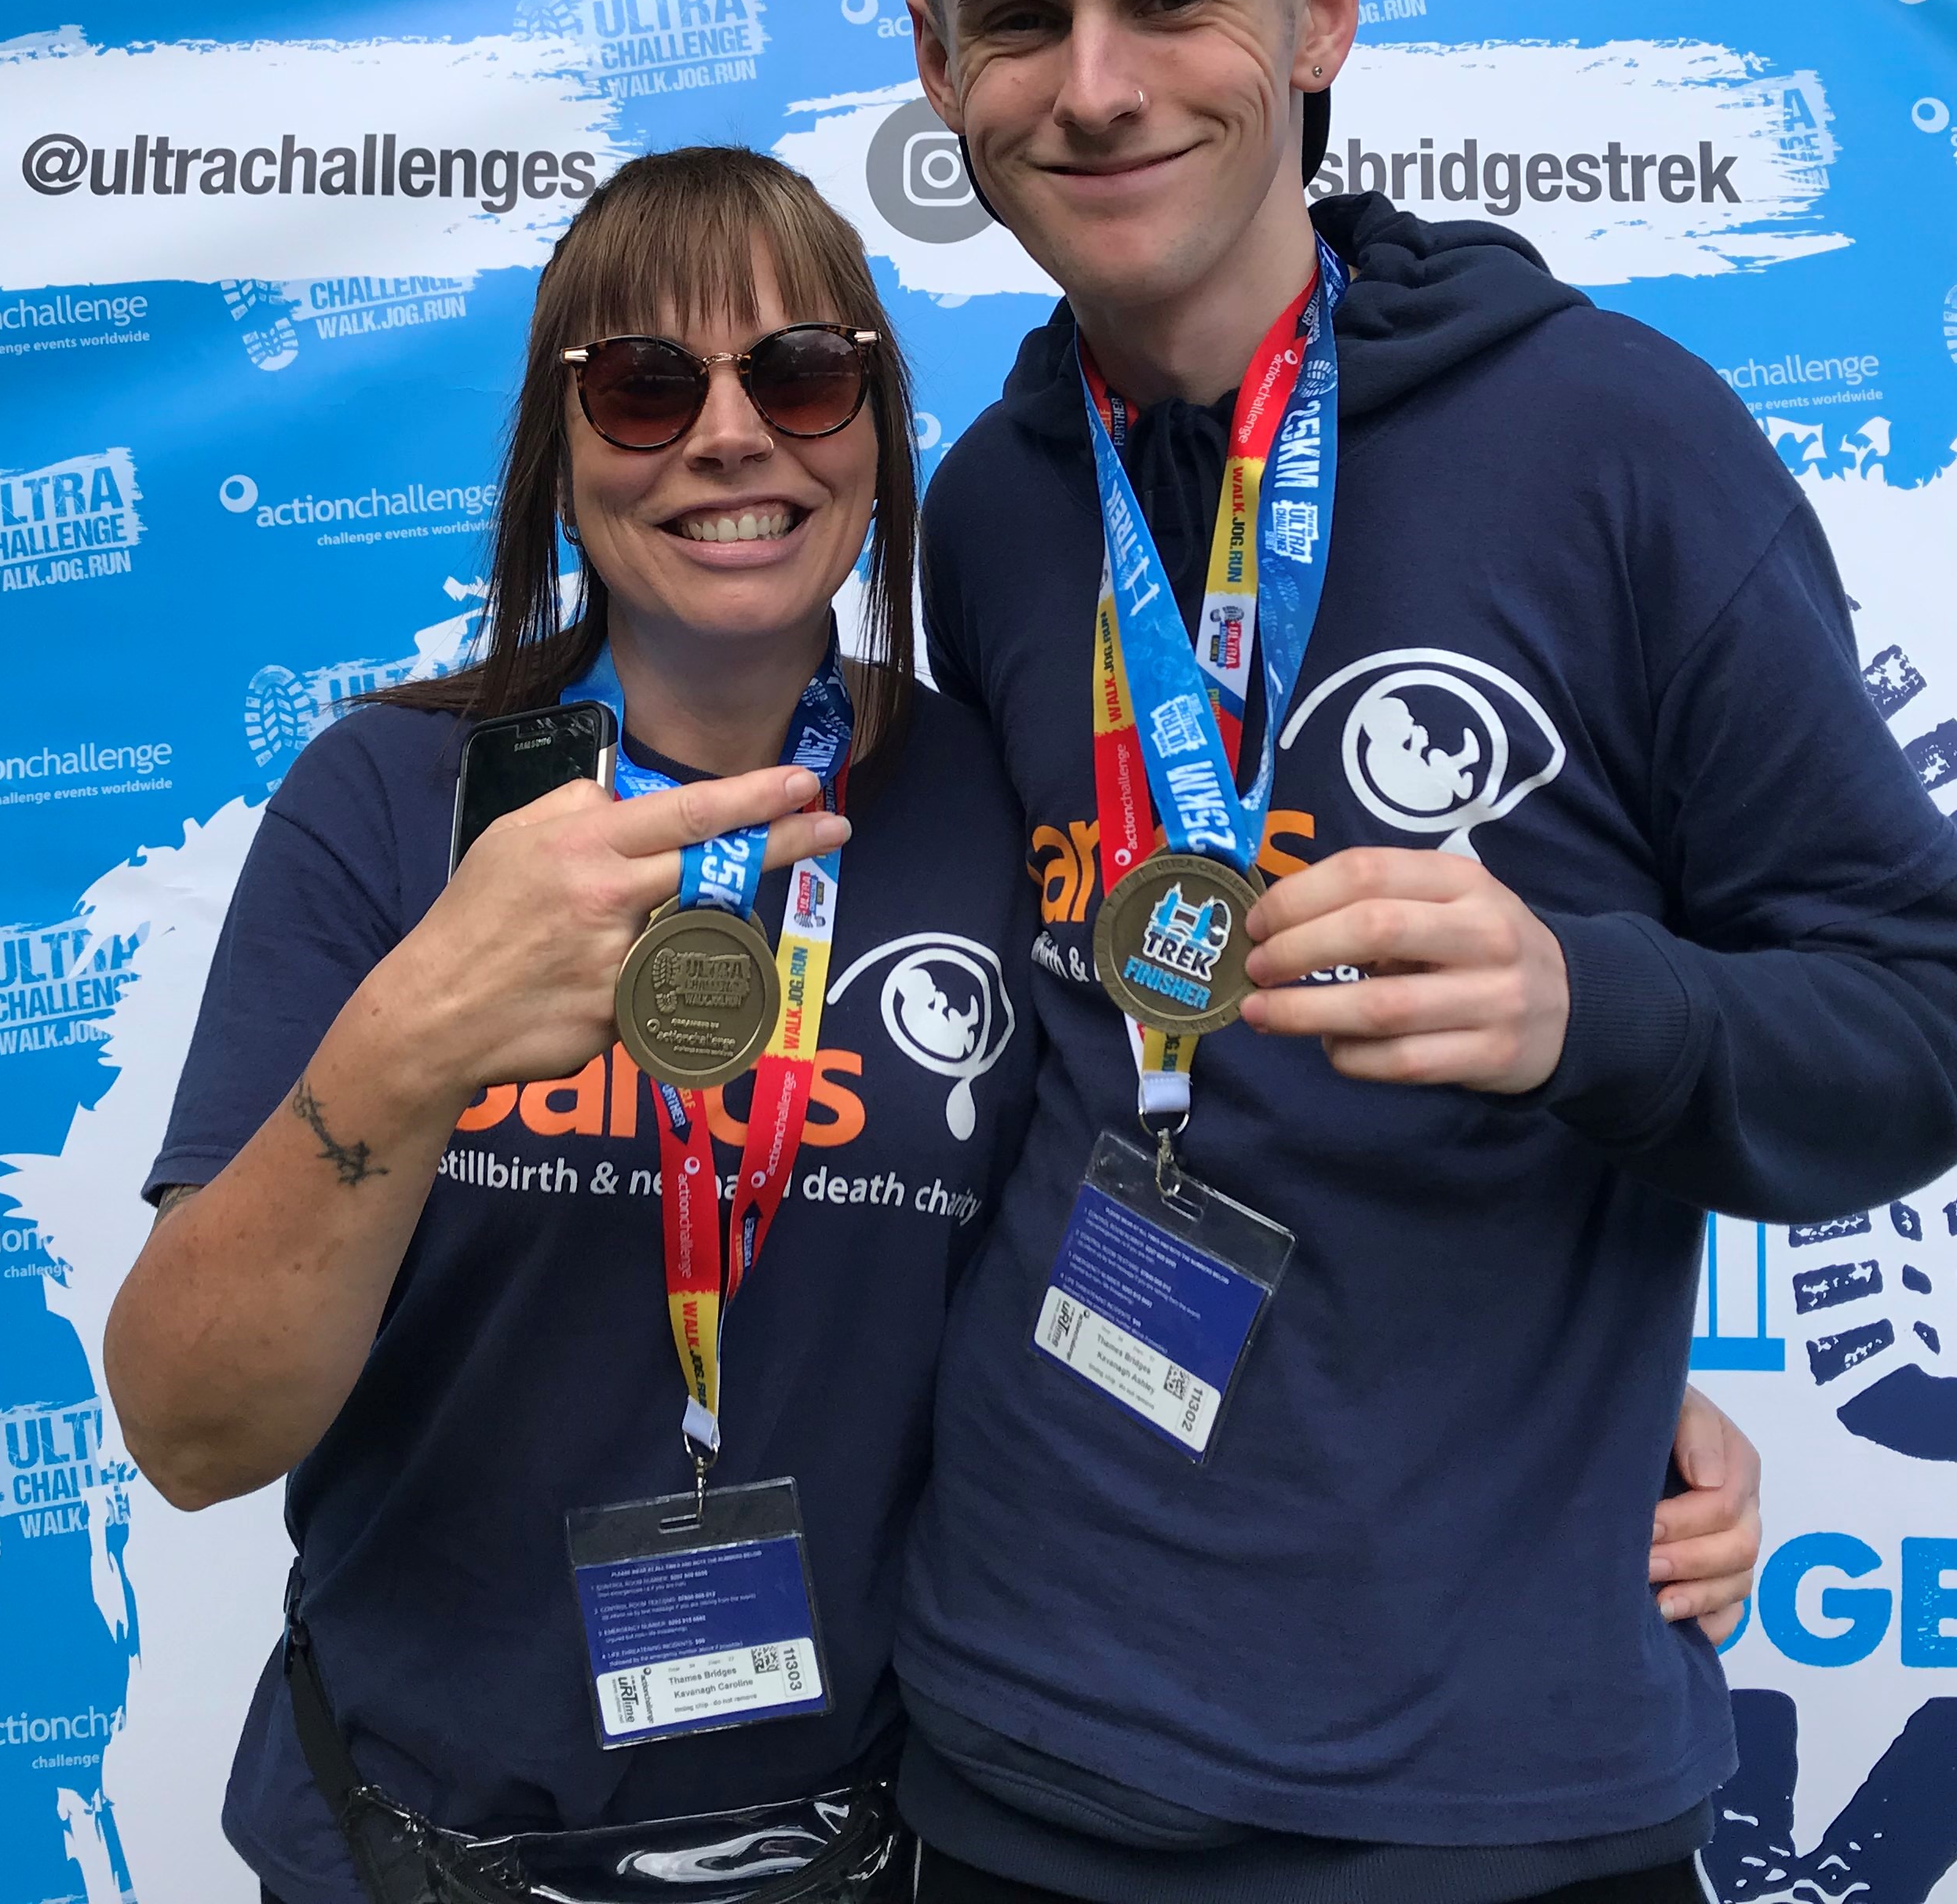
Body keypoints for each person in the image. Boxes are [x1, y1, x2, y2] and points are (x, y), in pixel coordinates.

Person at [102, 147, 1771, 1904]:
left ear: (878, 434)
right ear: (559, 448)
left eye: (802, 375)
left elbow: (1205, 1151)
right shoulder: (396, 802)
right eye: (647, 384)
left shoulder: (985, 792)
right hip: (423, 1844)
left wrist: (1604, 1416)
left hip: (891, 1843)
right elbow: (194, 1434)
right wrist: (409, 1041)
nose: (730, 437)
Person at [888, 0, 1957, 1904]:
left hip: (1488, 1803)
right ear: (942, 71)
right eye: (1020, 20)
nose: (1097, 83)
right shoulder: (997, 512)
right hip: (1009, 1749)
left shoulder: (1617, 441)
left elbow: (1935, 1013)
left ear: (1321, 9)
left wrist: (1588, 1011)